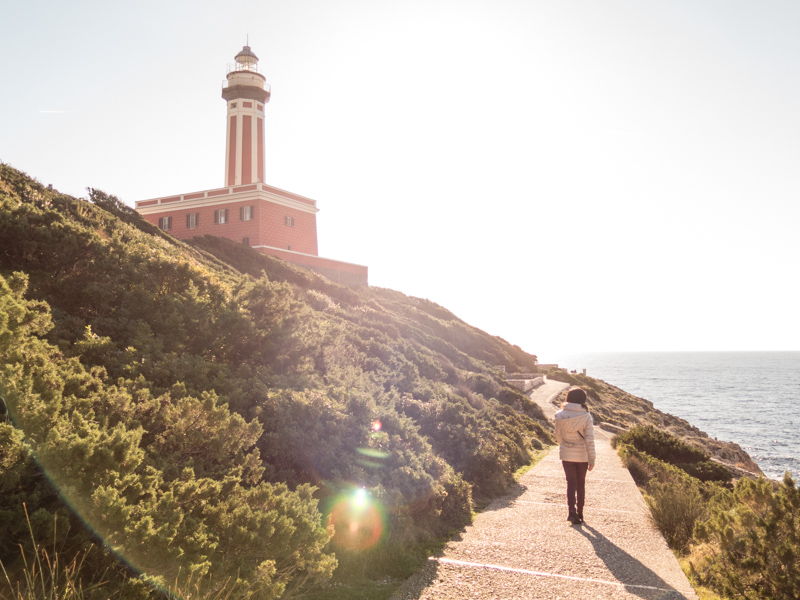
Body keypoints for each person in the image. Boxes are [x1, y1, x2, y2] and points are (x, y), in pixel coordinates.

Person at [555, 387, 596, 525]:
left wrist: (567, 443)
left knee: (571, 483)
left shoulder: (560, 415)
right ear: (582, 399)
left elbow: (558, 437)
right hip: (582, 456)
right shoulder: (586, 416)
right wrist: (592, 459)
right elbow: (589, 439)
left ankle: (571, 512)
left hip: (567, 454)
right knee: (581, 483)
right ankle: (580, 512)